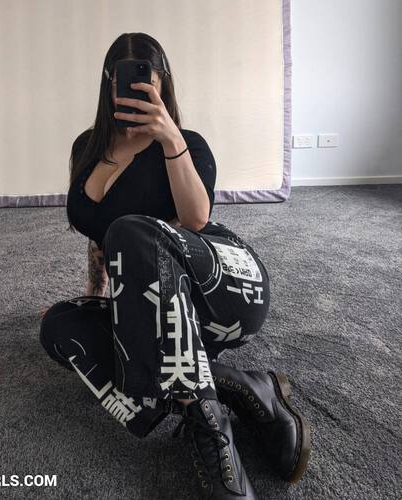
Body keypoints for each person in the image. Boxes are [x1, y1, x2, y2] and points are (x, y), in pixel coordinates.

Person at [39, 32, 311, 499]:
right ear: (108, 84)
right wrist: (95, 300)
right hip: (155, 313)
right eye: (121, 78)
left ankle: (209, 428)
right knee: (58, 326)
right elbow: (98, 238)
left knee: (131, 230)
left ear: (163, 81)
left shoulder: (188, 144)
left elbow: (196, 219)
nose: (133, 86)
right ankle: (240, 387)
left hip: (219, 288)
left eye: (147, 76)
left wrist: (169, 139)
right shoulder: (86, 147)